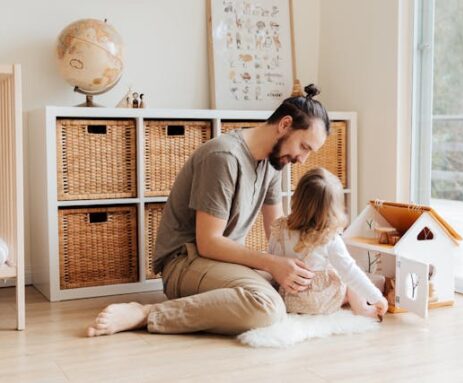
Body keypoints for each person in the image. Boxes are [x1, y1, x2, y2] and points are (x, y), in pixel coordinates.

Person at [87, 84, 331, 337]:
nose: (302, 159)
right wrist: (273, 265)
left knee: (297, 286)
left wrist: (309, 263)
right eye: (304, 147)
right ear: (285, 124)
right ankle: (148, 313)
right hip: (185, 261)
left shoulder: (272, 163)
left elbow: (277, 231)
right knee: (268, 307)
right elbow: (208, 243)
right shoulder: (224, 157)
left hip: (224, 263)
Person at [269, 167, 388, 319]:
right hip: (321, 302)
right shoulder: (329, 238)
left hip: (289, 299)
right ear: (334, 210)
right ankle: (363, 309)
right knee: (348, 274)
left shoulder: (279, 229)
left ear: (297, 198)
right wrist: (377, 298)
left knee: (342, 272)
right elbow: (350, 272)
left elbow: (272, 259)